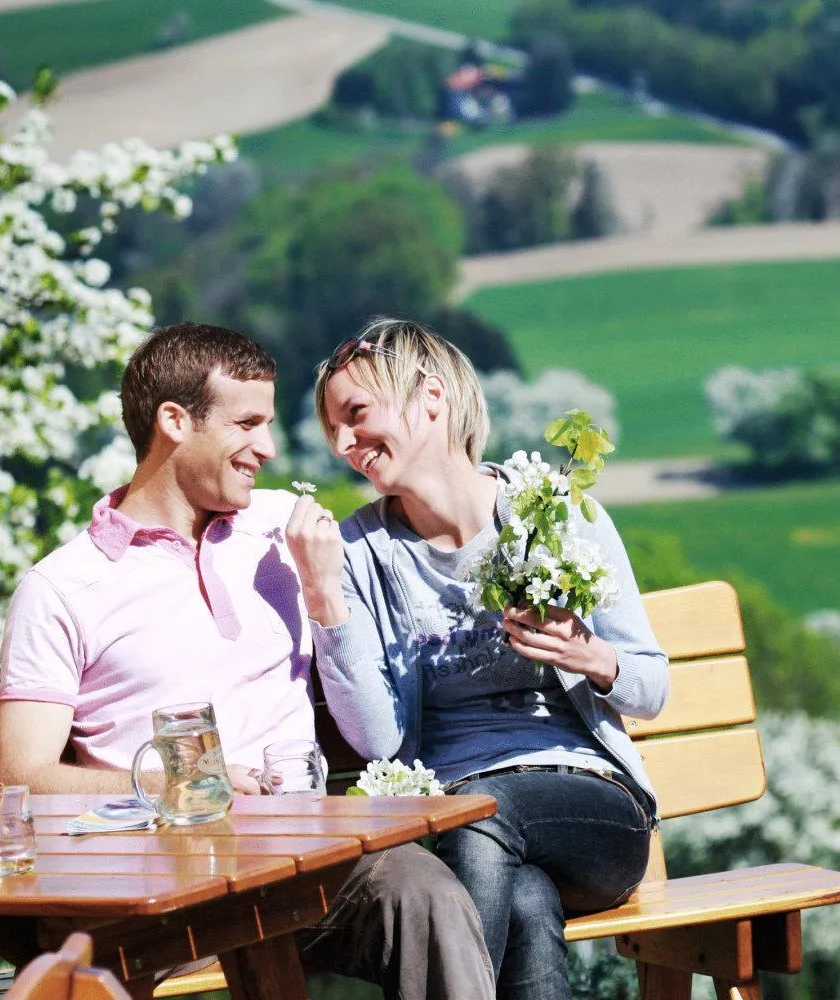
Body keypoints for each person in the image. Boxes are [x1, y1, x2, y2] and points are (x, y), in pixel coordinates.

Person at [0, 322, 495, 1000]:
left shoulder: (283, 529)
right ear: (175, 421)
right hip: (160, 882)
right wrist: (179, 784)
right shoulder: (62, 588)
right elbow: (22, 775)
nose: (267, 446)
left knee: (423, 890)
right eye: (247, 423)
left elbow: (421, 528)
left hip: (306, 857)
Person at [286, 318, 669, 1000]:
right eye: (333, 431)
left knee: (484, 817)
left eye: (357, 414)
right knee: (522, 902)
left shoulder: (552, 514)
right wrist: (323, 598)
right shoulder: (360, 556)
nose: (344, 446)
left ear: (430, 397)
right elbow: (379, 742)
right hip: (470, 833)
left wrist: (591, 656)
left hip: (593, 814)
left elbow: (650, 689)